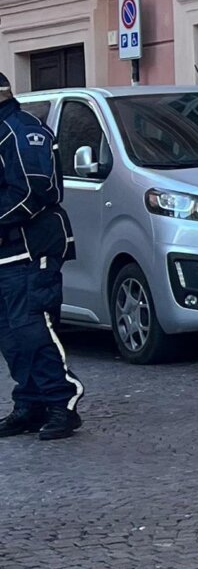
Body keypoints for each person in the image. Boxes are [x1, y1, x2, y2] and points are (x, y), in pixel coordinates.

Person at [0, 76, 81, 440]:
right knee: (10, 334)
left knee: (33, 327)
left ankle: (61, 400)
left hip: (31, 247)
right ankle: (30, 402)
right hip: (6, 250)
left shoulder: (20, 130)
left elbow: (33, 189)